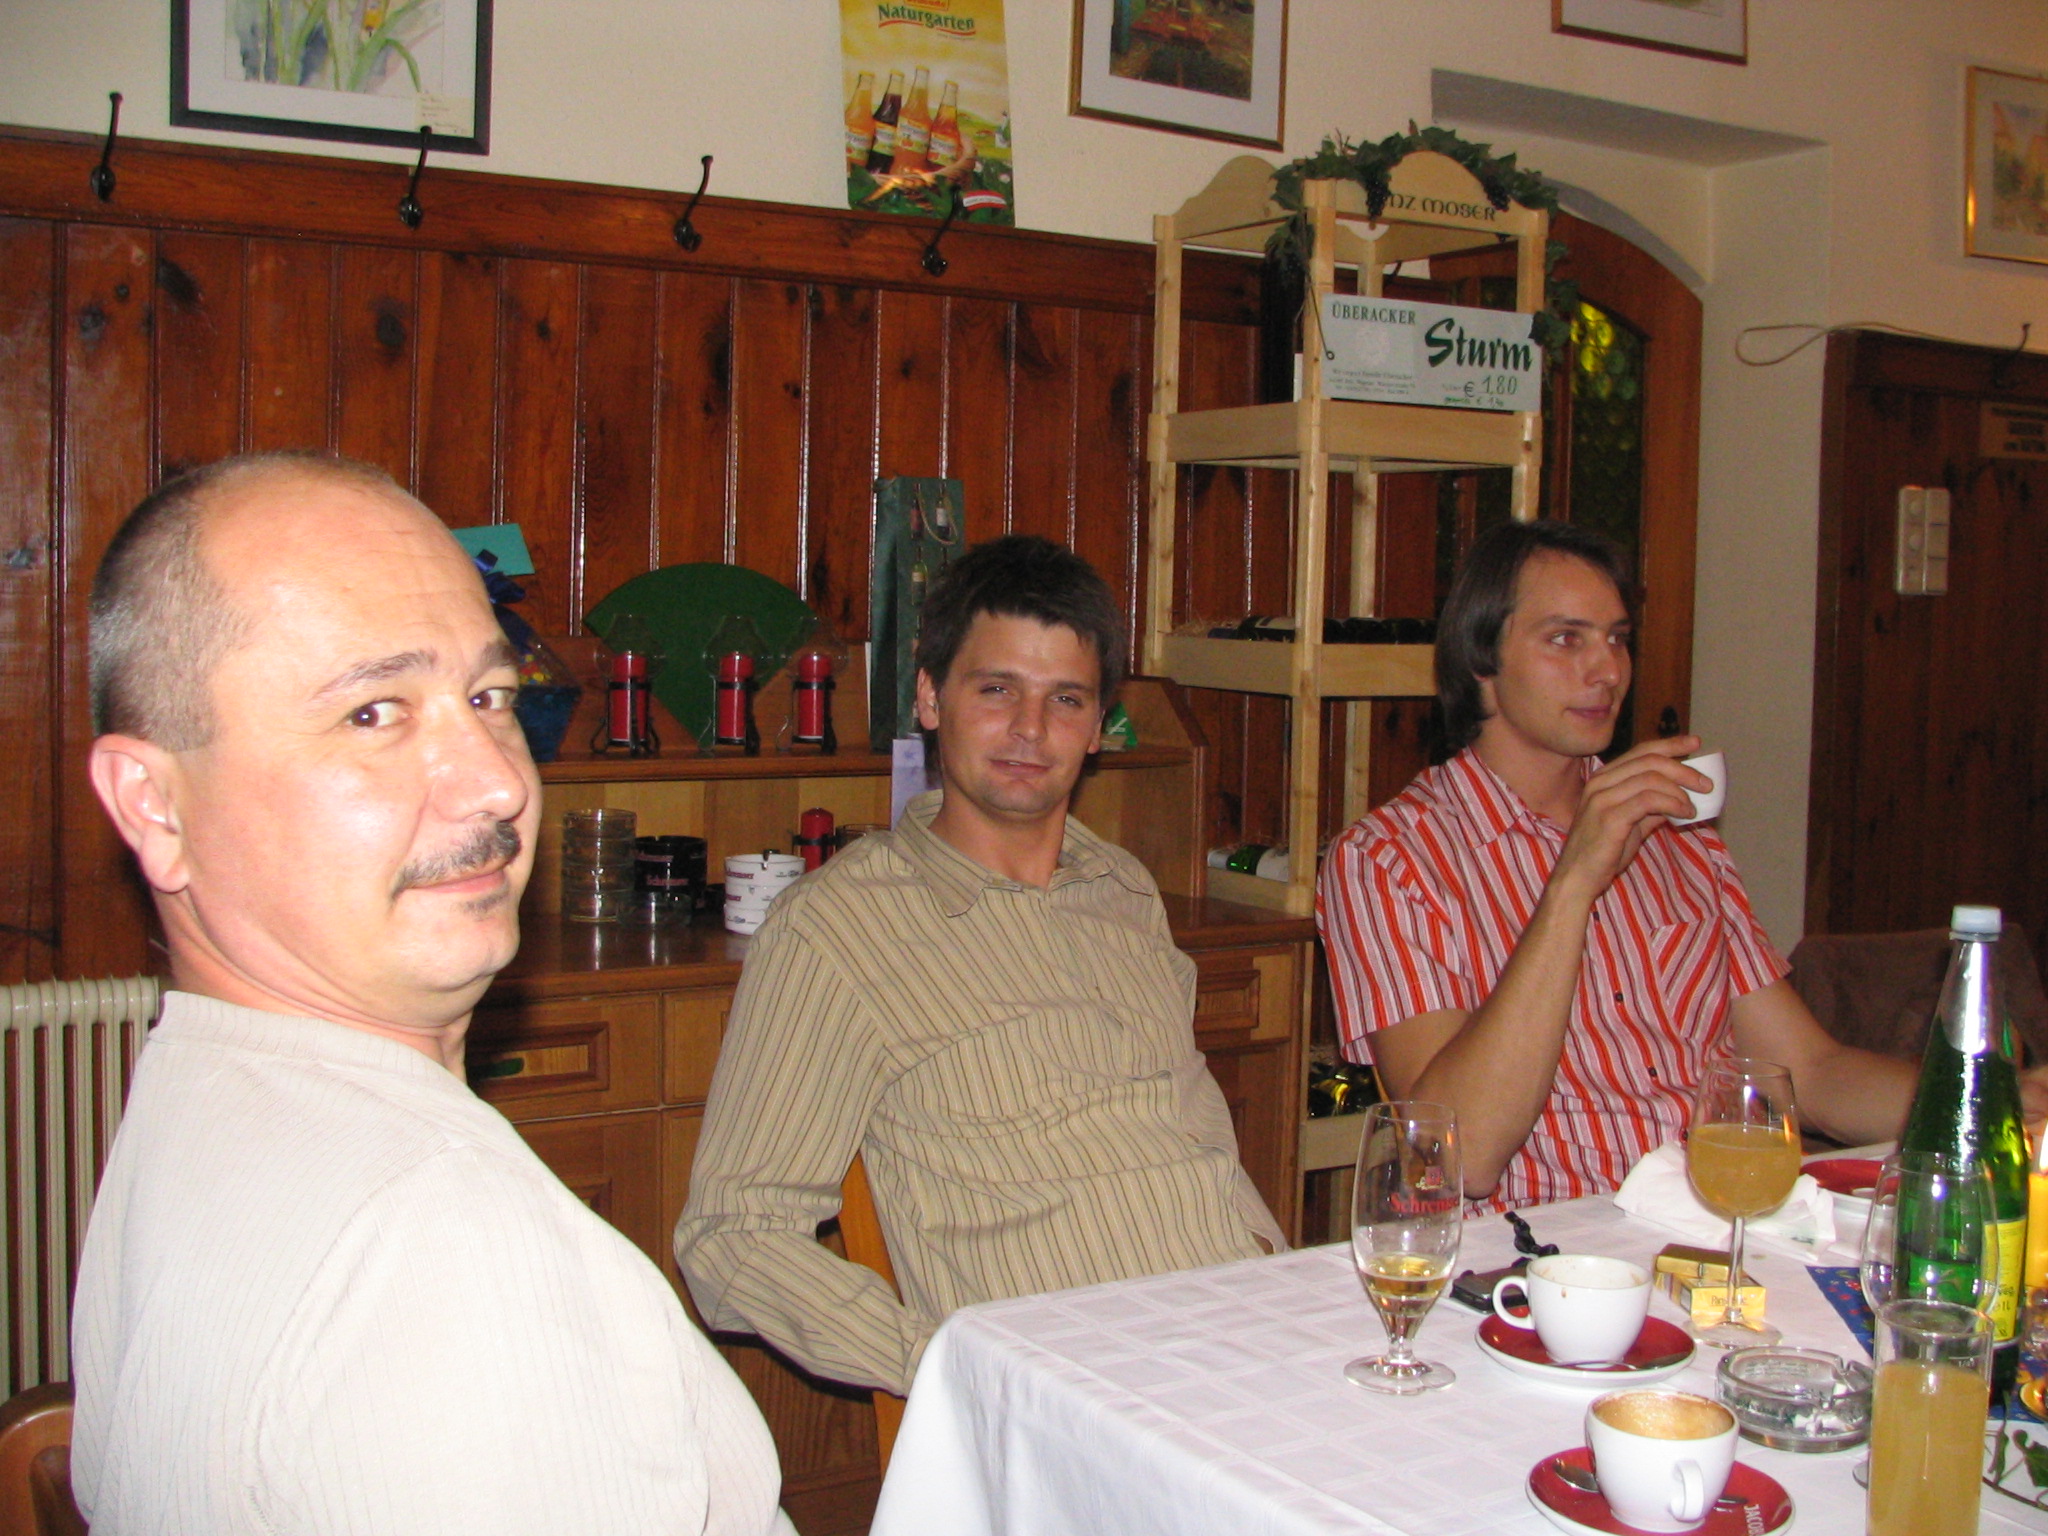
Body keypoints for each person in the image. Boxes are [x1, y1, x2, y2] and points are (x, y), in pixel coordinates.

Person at [75, 452, 793, 1535]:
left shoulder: (201, 1084)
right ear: (153, 804)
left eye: (489, 697)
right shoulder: (442, 1247)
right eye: (374, 712)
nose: (499, 782)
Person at [675, 535, 1284, 1396]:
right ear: (930, 697)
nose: (1031, 730)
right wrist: (953, 1372)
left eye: (1066, 699)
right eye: (997, 689)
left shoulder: (1122, 890)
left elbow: (1195, 1138)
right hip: (1079, 1399)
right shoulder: (839, 930)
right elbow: (732, 1237)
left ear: (1098, 727)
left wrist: (1277, 1277)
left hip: (1260, 1342)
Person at [1318, 519, 1929, 1211]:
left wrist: (1973, 1102)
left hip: (1708, 1226)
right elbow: (1463, 1153)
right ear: (1481, 661)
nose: (1607, 670)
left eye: (1617, 638)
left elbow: (1813, 1073)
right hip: (1539, 1248)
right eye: (1565, 639)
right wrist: (1573, 882)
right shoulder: (1389, 860)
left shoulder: (1679, 836)